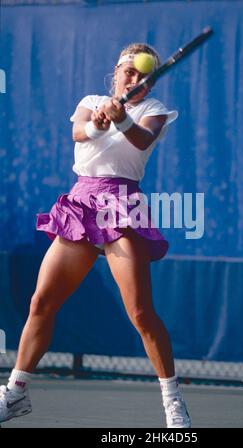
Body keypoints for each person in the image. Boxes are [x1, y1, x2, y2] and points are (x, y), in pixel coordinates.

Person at [0, 43, 191, 428]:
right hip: (82, 203)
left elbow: (140, 140)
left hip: (122, 205)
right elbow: (78, 133)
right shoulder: (90, 99)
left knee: (140, 312)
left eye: (144, 76)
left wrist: (121, 120)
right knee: (41, 303)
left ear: (150, 85)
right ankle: (15, 393)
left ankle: (173, 404)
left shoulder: (153, 112)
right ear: (116, 72)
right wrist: (96, 124)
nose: (135, 80)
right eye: (129, 72)